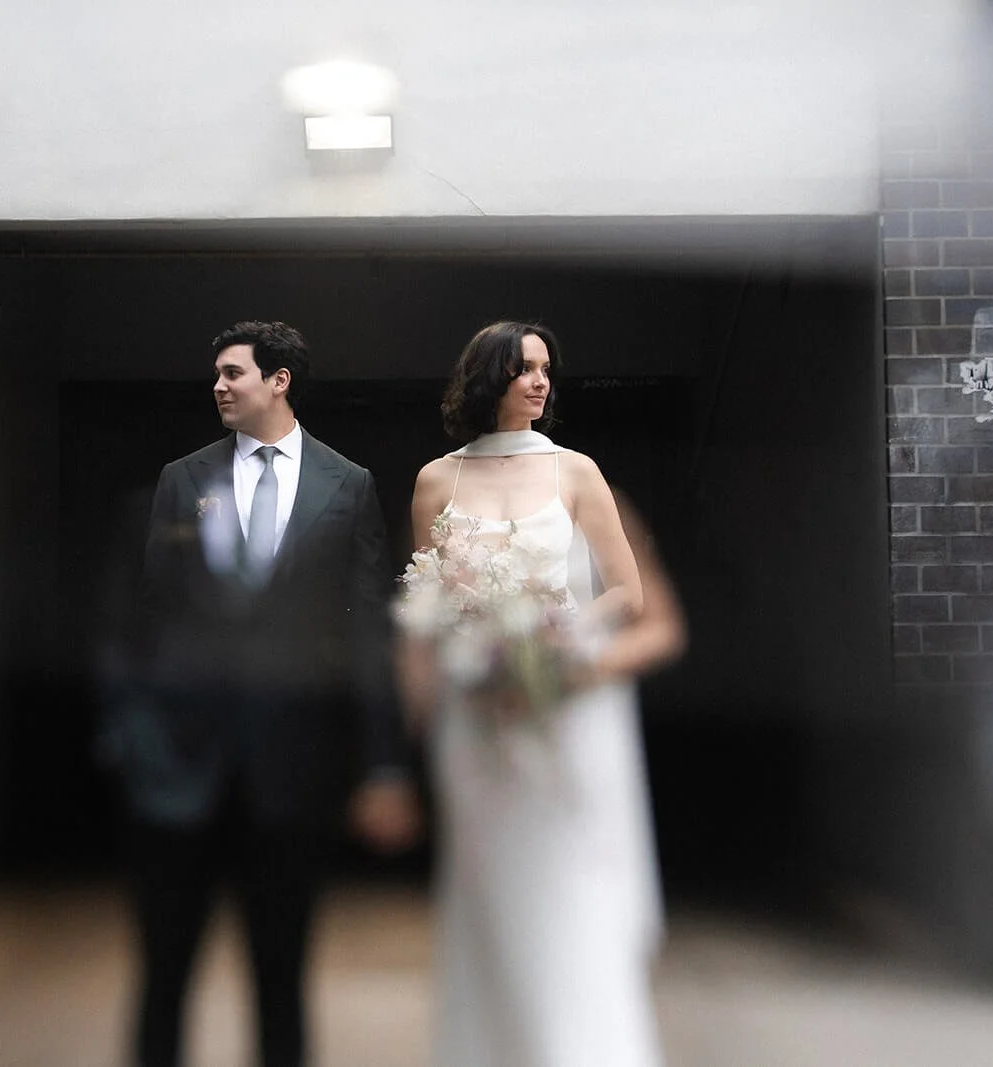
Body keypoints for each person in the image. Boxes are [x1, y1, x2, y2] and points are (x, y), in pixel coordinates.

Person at [112, 320, 419, 1067]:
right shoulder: (183, 479)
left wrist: (383, 765)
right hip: (181, 771)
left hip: (293, 772)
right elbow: (147, 620)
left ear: (279, 381)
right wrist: (135, 741)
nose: (218, 386)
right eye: (216, 374)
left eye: (233, 373)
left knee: (281, 977)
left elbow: (369, 636)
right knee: (163, 975)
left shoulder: (348, 485)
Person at [401, 321, 687, 1067]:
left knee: (569, 894)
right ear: (487, 377)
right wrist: (412, 733)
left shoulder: (577, 471)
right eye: (523, 368)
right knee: (486, 897)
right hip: (475, 721)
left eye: (546, 370)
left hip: (564, 712)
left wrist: (560, 642)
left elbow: (627, 593)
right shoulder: (435, 481)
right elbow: (427, 605)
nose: (539, 381)